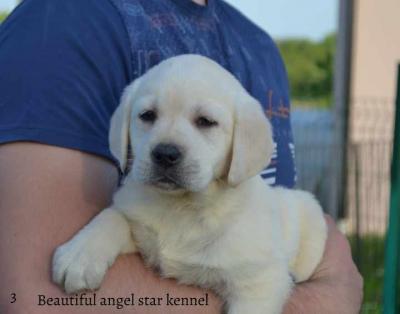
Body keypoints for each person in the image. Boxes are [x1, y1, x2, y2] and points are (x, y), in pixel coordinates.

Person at [0, 0, 362, 313]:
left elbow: (265, 272)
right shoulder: (65, 21)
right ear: (124, 126)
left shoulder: (259, 46)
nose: (166, 147)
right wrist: (319, 303)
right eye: (148, 116)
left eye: (204, 122)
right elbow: (30, 296)